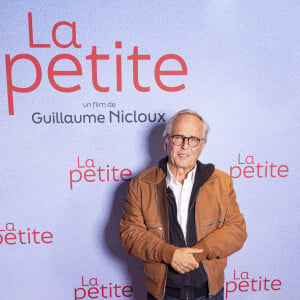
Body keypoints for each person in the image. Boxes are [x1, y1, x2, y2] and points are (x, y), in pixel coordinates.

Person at [120, 109, 247, 300]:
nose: (185, 146)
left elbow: (236, 231)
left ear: (202, 146)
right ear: (166, 142)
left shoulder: (221, 182)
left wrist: (200, 253)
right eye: (178, 138)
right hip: (163, 294)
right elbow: (130, 233)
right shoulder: (142, 184)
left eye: (193, 139)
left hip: (210, 293)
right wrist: (169, 254)